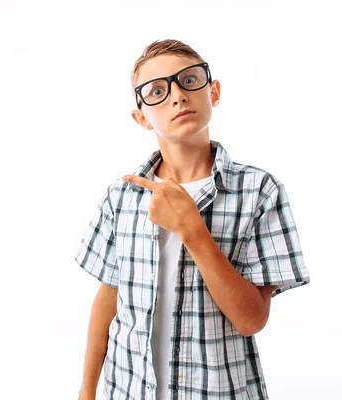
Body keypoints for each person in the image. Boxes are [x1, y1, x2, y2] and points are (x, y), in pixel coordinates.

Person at [73, 39, 310, 400]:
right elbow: (107, 299)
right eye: (156, 91)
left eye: (189, 80)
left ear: (212, 92)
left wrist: (192, 230)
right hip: (128, 390)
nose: (177, 96)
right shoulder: (120, 196)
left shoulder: (259, 191)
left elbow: (251, 320)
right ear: (141, 117)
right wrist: (87, 391)